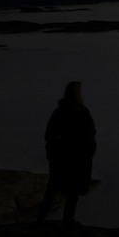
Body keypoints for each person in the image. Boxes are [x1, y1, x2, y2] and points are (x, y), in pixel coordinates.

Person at [35, 81, 96, 226]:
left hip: (60, 157)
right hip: (74, 157)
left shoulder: (60, 111)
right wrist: (87, 152)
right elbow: (89, 135)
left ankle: (41, 217)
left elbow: (49, 134)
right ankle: (67, 220)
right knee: (72, 189)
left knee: (54, 186)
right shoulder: (81, 112)